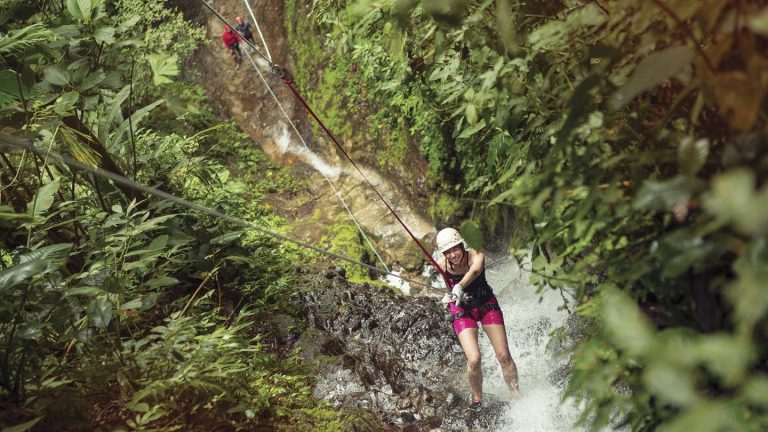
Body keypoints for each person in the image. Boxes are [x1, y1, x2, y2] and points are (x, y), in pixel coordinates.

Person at [436, 227, 519, 410]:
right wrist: (449, 295)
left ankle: (515, 396)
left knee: (503, 356)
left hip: (486, 305)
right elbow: (449, 288)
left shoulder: (477, 256)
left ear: (461, 245)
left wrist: (459, 286)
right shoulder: (442, 265)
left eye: (455, 249)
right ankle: (477, 399)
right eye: (447, 252)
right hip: (462, 309)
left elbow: (473, 272)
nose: (453, 255)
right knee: (474, 359)